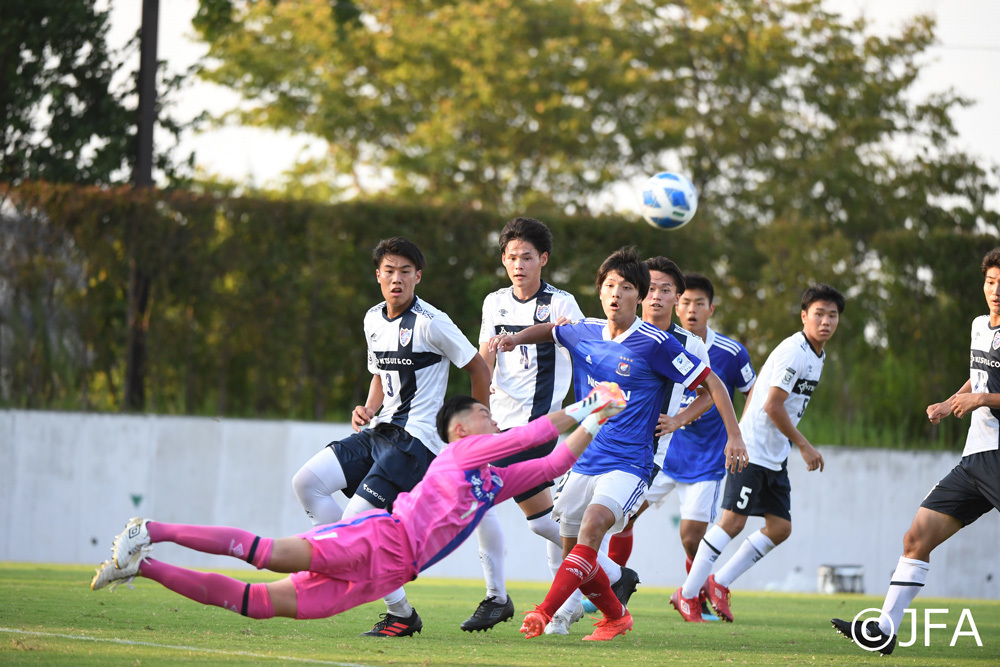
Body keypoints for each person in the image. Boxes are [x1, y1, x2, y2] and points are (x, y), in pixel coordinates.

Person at [91, 383, 629, 634]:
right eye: (486, 414)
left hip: (390, 572)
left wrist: (597, 422)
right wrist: (590, 403)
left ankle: (143, 565)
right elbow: (534, 434)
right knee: (268, 556)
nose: (495, 420)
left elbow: (553, 462)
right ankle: (150, 529)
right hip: (379, 540)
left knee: (256, 604)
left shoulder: (491, 481)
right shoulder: (465, 450)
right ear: (462, 430)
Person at [490, 246, 748, 641]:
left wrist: (734, 434)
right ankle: (616, 615)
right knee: (574, 548)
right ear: (600, 291)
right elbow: (552, 331)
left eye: (626, 287)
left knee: (593, 528)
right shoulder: (586, 331)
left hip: (630, 462)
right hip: (583, 458)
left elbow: (711, 381)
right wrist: (515, 339)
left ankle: (546, 611)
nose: (615, 294)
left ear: (638, 296)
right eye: (609, 285)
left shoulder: (655, 344)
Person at [290, 236, 491, 636]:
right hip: (379, 430)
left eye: (405, 271)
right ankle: (370, 576)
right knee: (307, 484)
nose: (396, 278)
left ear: (418, 276)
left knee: (354, 524)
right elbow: (380, 374)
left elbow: (479, 369)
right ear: (378, 276)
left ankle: (390, 601)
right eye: (389, 270)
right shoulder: (371, 319)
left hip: (416, 443)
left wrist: (476, 432)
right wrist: (367, 405)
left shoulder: (433, 323)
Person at [832, 247, 1000, 656]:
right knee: (916, 537)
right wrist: (950, 402)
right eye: (991, 282)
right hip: (974, 459)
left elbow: (986, 393)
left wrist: (981, 402)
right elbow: (980, 376)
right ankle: (884, 628)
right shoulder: (980, 325)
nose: (996, 291)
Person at [671, 284, 844, 624]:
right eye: (819, 314)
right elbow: (773, 405)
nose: (825, 321)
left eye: (832, 315)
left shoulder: (817, 355)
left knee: (780, 528)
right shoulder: (795, 351)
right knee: (732, 522)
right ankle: (687, 594)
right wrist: (801, 445)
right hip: (753, 452)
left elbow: (758, 395)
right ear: (804, 316)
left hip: (773, 454)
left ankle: (718, 583)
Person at [607, 269, 756, 623]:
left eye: (697, 303)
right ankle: (612, 584)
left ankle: (693, 592)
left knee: (691, 537)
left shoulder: (720, 351)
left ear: (710, 309)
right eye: (685, 301)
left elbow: (728, 390)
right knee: (619, 517)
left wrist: (736, 433)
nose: (690, 309)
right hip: (661, 452)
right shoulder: (627, 335)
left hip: (704, 457)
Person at [462, 217, 587, 633]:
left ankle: (500, 598)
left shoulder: (562, 303)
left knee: (480, 499)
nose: (519, 264)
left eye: (527, 257)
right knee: (542, 521)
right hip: (501, 428)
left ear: (543, 260)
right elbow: (484, 359)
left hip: (540, 427)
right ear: (503, 260)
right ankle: (588, 582)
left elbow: (576, 342)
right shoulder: (493, 302)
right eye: (512, 257)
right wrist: (482, 414)